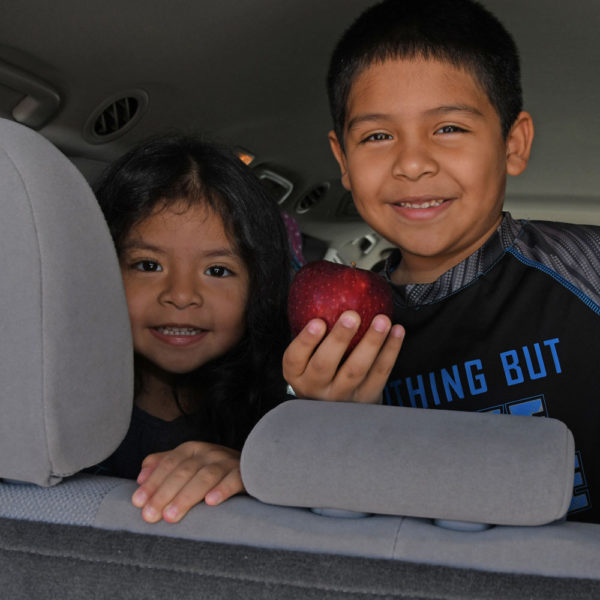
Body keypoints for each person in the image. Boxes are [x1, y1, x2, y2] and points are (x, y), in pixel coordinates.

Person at [283, 0, 600, 523]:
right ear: (343, 161)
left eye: (449, 128)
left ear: (512, 144)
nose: (411, 163)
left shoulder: (585, 269)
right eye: (378, 136)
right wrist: (327, 421)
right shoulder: (336, 333)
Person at [94, 134, 291, 523]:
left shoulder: (277, 422)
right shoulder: (57, 410)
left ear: (259, 288)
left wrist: (258, 473)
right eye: (148, 265)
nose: (181, 295)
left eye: (217, 270)